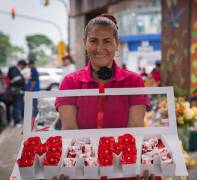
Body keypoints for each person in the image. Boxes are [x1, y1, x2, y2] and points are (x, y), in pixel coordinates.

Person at [54, 14, 153, 180]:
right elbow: (70, 129)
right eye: (93, 41)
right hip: (84, 173)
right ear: (85, 42)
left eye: (107, 41)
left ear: (116, 44)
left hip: (123, 171)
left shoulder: (133, 81)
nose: (99, 48)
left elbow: (135, 128)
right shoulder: (70, 82)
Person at [7, 60, 27, 127]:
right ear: (21, 65)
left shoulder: (15, 70)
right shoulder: (14, 70)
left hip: (18, 91)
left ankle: (17, 121)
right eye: (23, 67)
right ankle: (16, 122)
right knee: (17, 106)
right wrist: (23, 79)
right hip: (16, 91)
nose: (23, 68)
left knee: (18, 106)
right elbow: (15, 80)